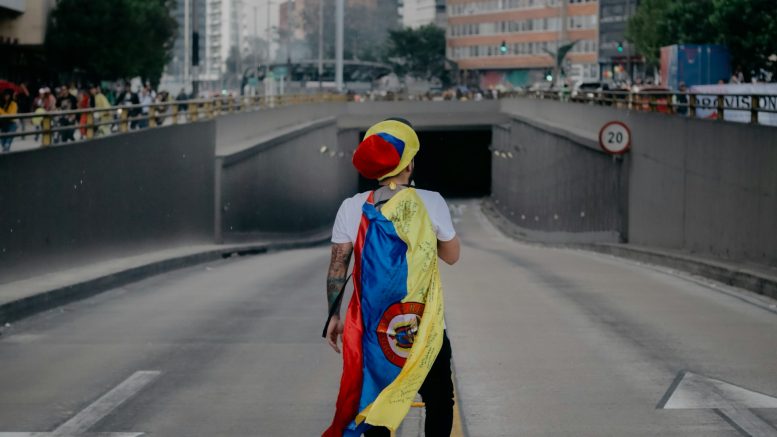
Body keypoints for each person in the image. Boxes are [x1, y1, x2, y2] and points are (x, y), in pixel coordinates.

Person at [324, 118, 461, 437]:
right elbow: (452, 256)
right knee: (439, 398)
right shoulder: (431, 201)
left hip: (373, 326)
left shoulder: (352, 207)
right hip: (423, 323)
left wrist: (333, 315)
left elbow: (337, 266)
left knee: (375, 400)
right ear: (409, 164)